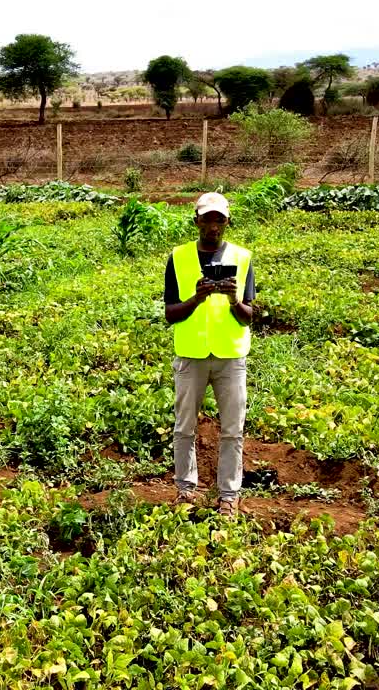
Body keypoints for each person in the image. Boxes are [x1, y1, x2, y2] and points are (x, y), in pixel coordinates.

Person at [163, 192, 255, 515]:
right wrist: (196, 299)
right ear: (196, 220)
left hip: (231, 357)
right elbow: (171, 314)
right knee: (184, 426)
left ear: (227, 222)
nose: (213, 226)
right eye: (207, 219)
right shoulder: (178, 258)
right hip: (191, 356)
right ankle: (186, 491)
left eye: (219, 219)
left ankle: (228, 497)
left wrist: (233, 300)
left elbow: (249, 315)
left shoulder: (242, 259)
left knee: (233, 429)